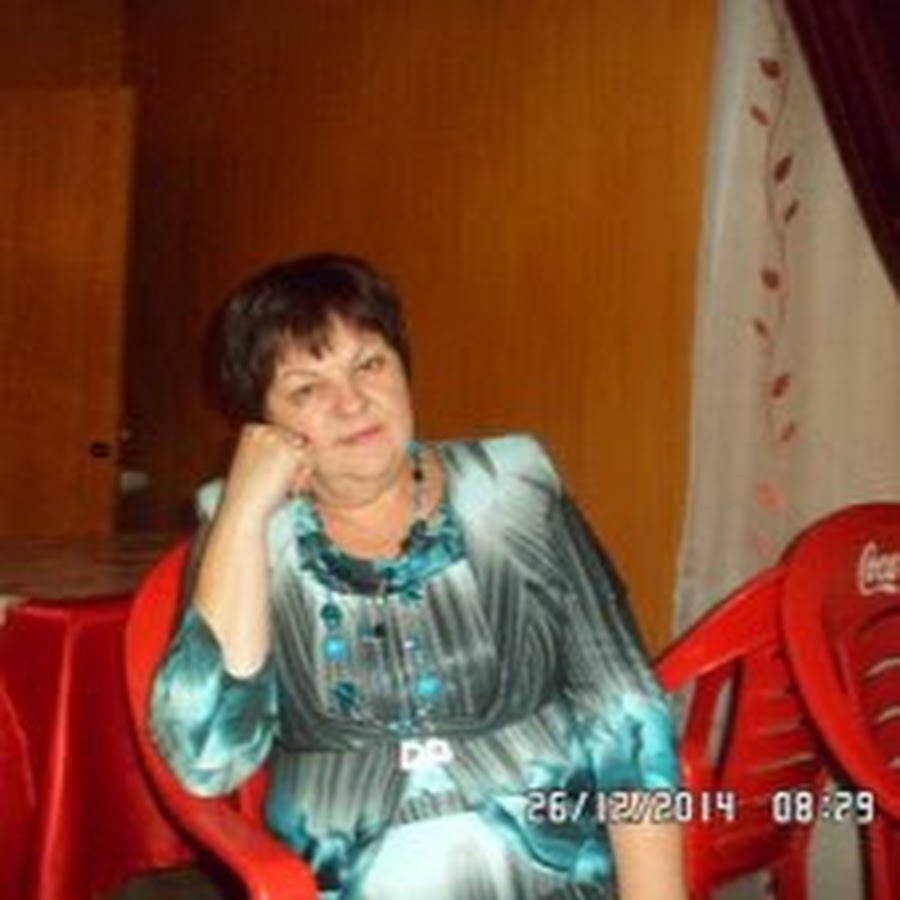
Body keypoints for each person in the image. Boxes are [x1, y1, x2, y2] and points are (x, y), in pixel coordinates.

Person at [150, 252, 688, 900]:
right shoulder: (246, 528)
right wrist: (241, 514)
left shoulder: (513, 489)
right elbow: (208, 760)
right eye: (306, 388)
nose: (352, 402)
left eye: (369, 364)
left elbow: (627, 714)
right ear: (264, 426)